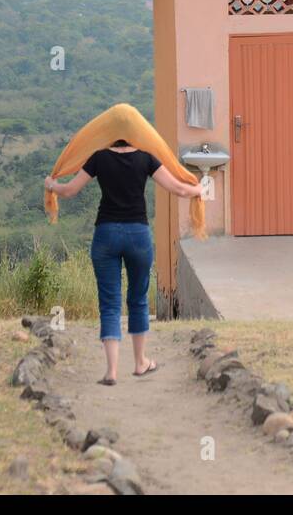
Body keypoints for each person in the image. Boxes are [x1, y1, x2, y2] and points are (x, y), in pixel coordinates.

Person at [44, 139, 202, 385]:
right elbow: (179, 189)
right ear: (136, 132)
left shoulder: (99, 157)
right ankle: (140, 363)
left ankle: (111, 371)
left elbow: (70, 190)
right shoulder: (146, 158)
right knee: (138, 300)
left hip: (105, 234)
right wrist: (199, 190)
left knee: (109, 303)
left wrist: (51, 185)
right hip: (137, 235)